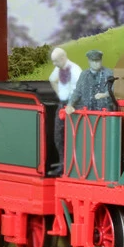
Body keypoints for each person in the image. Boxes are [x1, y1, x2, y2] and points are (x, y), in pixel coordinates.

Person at [48, 48, 82, 176]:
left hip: (74, 107)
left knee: (73, 137)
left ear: (62, 58)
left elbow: (80, 90)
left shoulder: (75, 69)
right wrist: (60, 95)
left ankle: (74, 167)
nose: (54, 64)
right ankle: (63, 164)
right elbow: (52, 79)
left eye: (56, 61)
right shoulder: (58, 69)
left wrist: (71, 103)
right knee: (59, 135)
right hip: (62, 105)